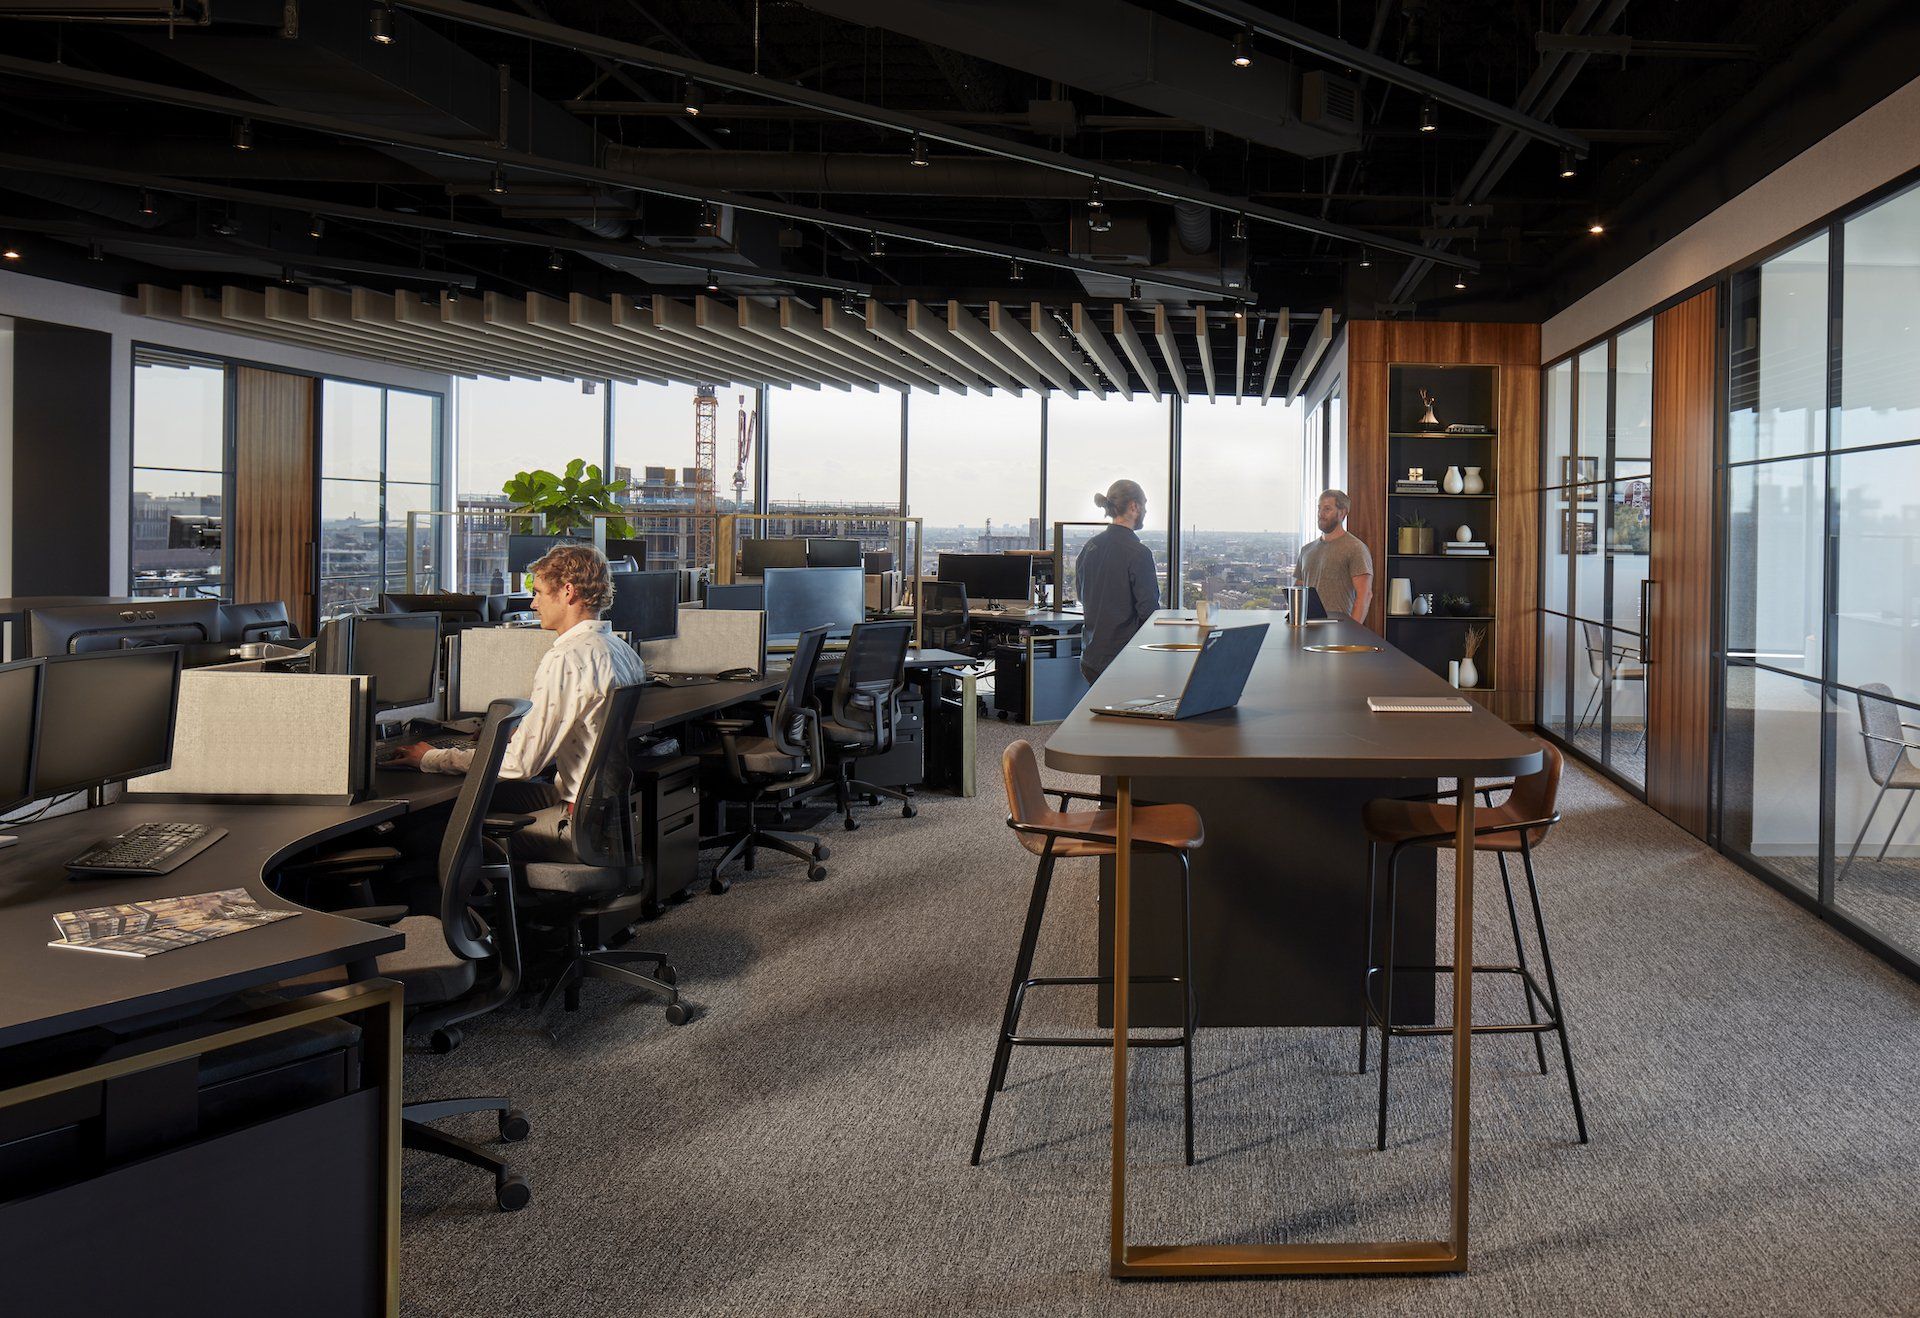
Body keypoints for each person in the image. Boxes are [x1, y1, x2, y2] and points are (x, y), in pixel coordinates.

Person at [394, 542, 645, 862]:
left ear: (568, 592)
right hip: (601, 808)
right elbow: (583, 723)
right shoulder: (622, 652)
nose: (533, 603)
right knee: (487, 798)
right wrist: (503, 736)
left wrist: (432, 758)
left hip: (577, 821)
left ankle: (469, 911)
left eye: (539, 592)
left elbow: (521, 765)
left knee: (436, 833)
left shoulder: (567, 659)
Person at [1076, 478, 1161, 682]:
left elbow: (1081, 595)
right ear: (1133, 506)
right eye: (1145, 505)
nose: (1146, 511)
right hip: (1123, 660)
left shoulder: (1089, 547)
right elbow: (1148, 610)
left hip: (1091, 659)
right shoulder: (1138, 553)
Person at [1296, 488, 1373, 623]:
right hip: (1307, 628)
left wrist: (1352, 632)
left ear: (1342, 513)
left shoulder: (1356, 548)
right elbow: (1298, 590)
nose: (1321, 514)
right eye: (1319, 508)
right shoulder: (1306, 550)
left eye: (1327, 509)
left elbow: (1365, 595)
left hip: (1340, 630)